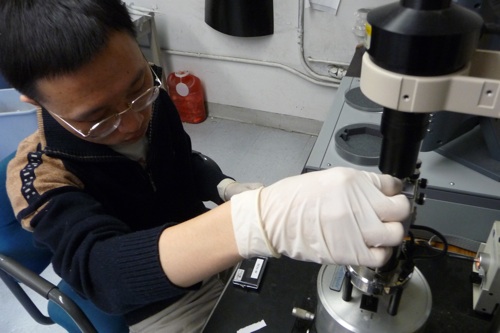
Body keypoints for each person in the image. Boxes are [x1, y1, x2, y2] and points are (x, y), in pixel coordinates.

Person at [0, 0, 411, 332]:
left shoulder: (152, 99)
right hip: (154, 303)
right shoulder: (39, 174)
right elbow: (102, 273)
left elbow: (181, 162)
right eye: (98, 116)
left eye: (136, 86)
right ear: (33, 100)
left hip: (211, 252)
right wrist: (253, 221)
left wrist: (225, 188)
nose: (131, 122)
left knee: (298, 288)